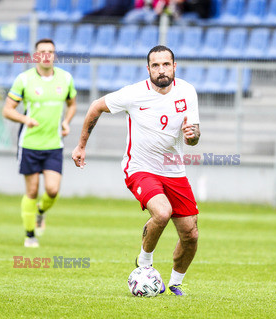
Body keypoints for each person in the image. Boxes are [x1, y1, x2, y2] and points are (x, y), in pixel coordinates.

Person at [72, 45, 200, 296]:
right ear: (148, 69)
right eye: (155, 65)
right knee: (162, 213)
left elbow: (193, 137)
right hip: (139, 168)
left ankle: (175, 284)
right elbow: (96, 106)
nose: (161, 70)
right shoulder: (133, 94)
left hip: (174, 170)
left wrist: (193, 135)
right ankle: (144, 264)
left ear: (175, 66)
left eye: (166, 64)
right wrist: (81, 145)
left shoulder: (188, 91)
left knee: (191, 234)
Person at [2, 38, 77, 248]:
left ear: (54, 55)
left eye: (50, 52)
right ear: (36, 55)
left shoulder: (66, 78)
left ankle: (40, 212)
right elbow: (7, 110)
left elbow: (72, 105)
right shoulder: (24, 80)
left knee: (52, 190)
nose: (46, 55)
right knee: (32, 191)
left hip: (54, 144)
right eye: (42, 51)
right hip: (30, 144)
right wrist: (25, 119)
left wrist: (66, 121)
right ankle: (29, 234)